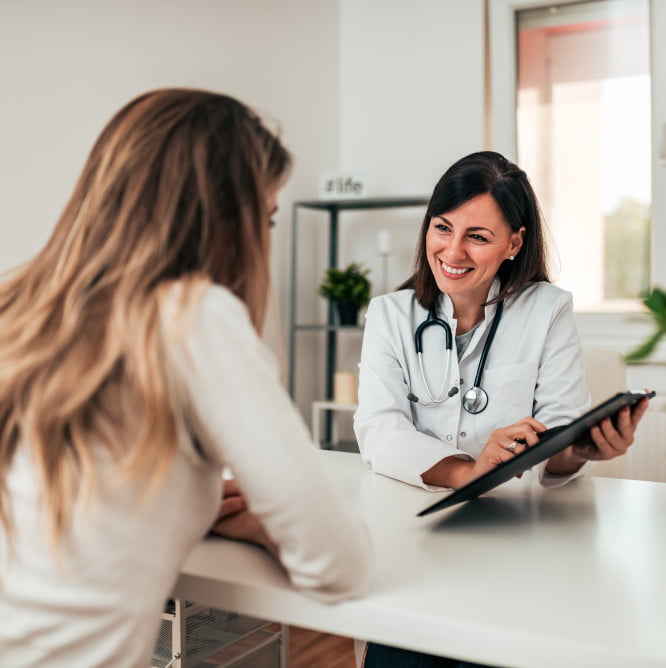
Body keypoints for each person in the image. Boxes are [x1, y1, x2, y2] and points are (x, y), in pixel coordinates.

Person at [0, 89, 372, 667]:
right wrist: (260, 526)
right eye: (266, 218)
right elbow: (339, 565)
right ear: (227, 218)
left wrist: (190, 508)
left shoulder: (17, 306)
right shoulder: (192, 317)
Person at [353, 150, 648, 667]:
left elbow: (558, 436)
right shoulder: (390, 316)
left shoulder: (546, 310)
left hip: (517, 546)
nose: (453, 250)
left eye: (478, 237)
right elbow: (379, 429)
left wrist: (581, 450)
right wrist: (471, 471)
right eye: (442, 228)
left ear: (514, 242)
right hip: (417, 541)